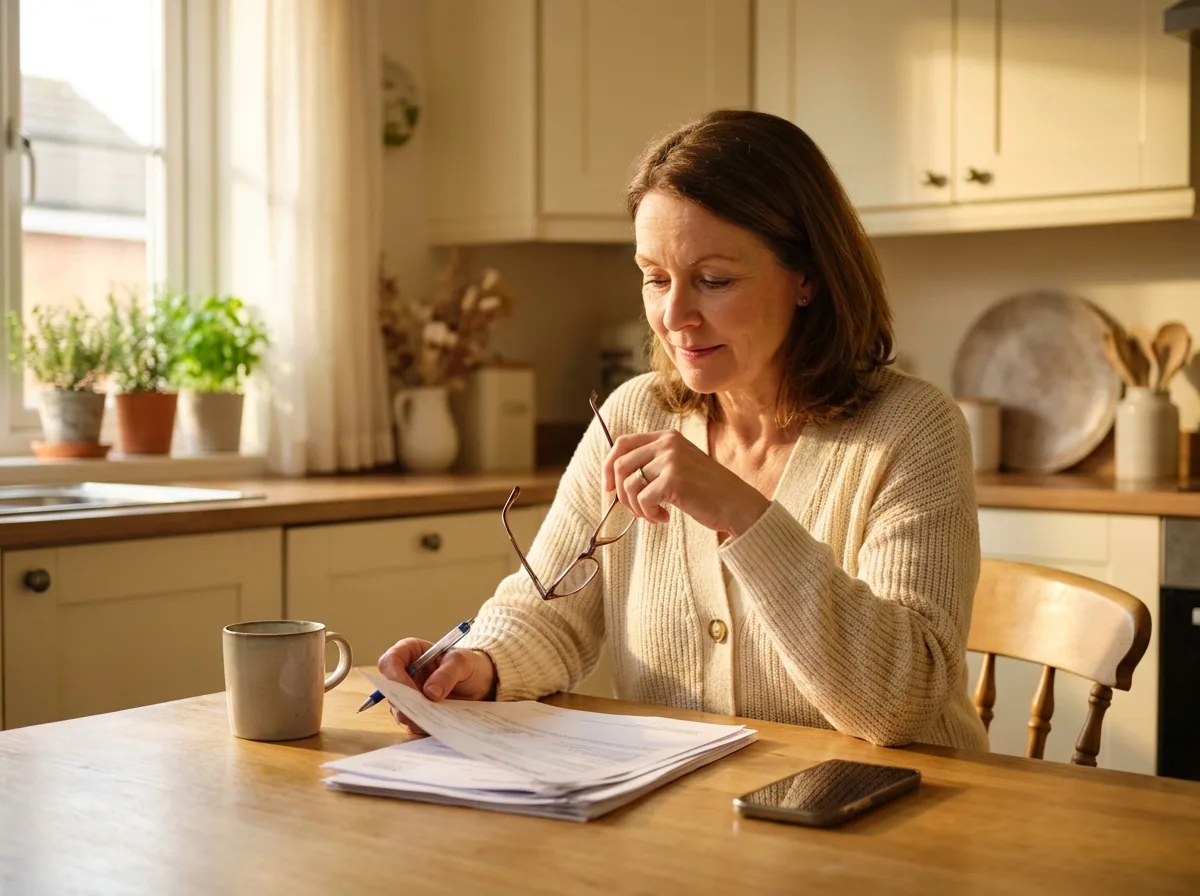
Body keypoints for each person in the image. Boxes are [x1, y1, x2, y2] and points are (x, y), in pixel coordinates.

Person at [379, 109, 989, 751]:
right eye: (656, 278)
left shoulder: (914, 429)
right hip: (694, 818)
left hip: (901, 816)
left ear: (806, 276)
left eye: (714, 281)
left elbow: (905, 705)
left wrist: (741, 512)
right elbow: (548, 614)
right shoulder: (630, 415)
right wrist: (478, 667)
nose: (674, 317)